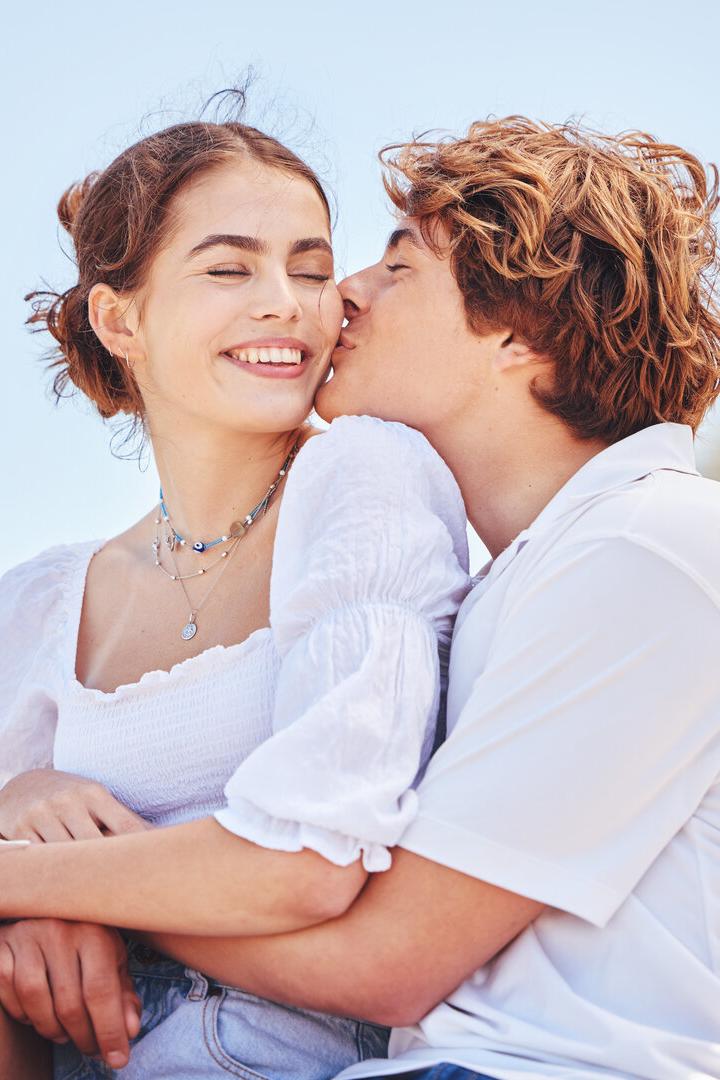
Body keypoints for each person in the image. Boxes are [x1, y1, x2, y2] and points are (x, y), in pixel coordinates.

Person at [0, 114, 470, 1078]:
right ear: (119, 318)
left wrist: (41, 884)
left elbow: (307, 864)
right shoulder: (43, 597)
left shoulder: (364, 478)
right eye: (229, 269)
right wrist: (22, 812)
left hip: (259, 1050)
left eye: (308, 267)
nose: (288, 304)